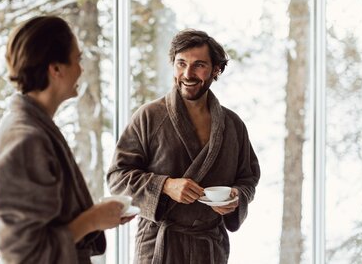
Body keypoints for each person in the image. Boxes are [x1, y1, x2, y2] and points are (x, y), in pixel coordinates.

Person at [0, 16, 134, 264]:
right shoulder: (26, 140)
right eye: (77, 59)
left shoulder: (32, 126)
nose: (81, 69)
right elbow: (20, 253)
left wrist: (96, 215)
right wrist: (91, 220)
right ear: (56, 69)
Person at [107, 29, 260, 264]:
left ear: (216, 69)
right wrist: (165, 185)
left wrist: (236, 197)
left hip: (209, 249)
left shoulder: (232, 125)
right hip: (159, 247)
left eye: (199, 65)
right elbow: (117, 179)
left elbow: (248, 178)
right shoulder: (148, 117)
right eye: (181, 64)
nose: (188, 74)